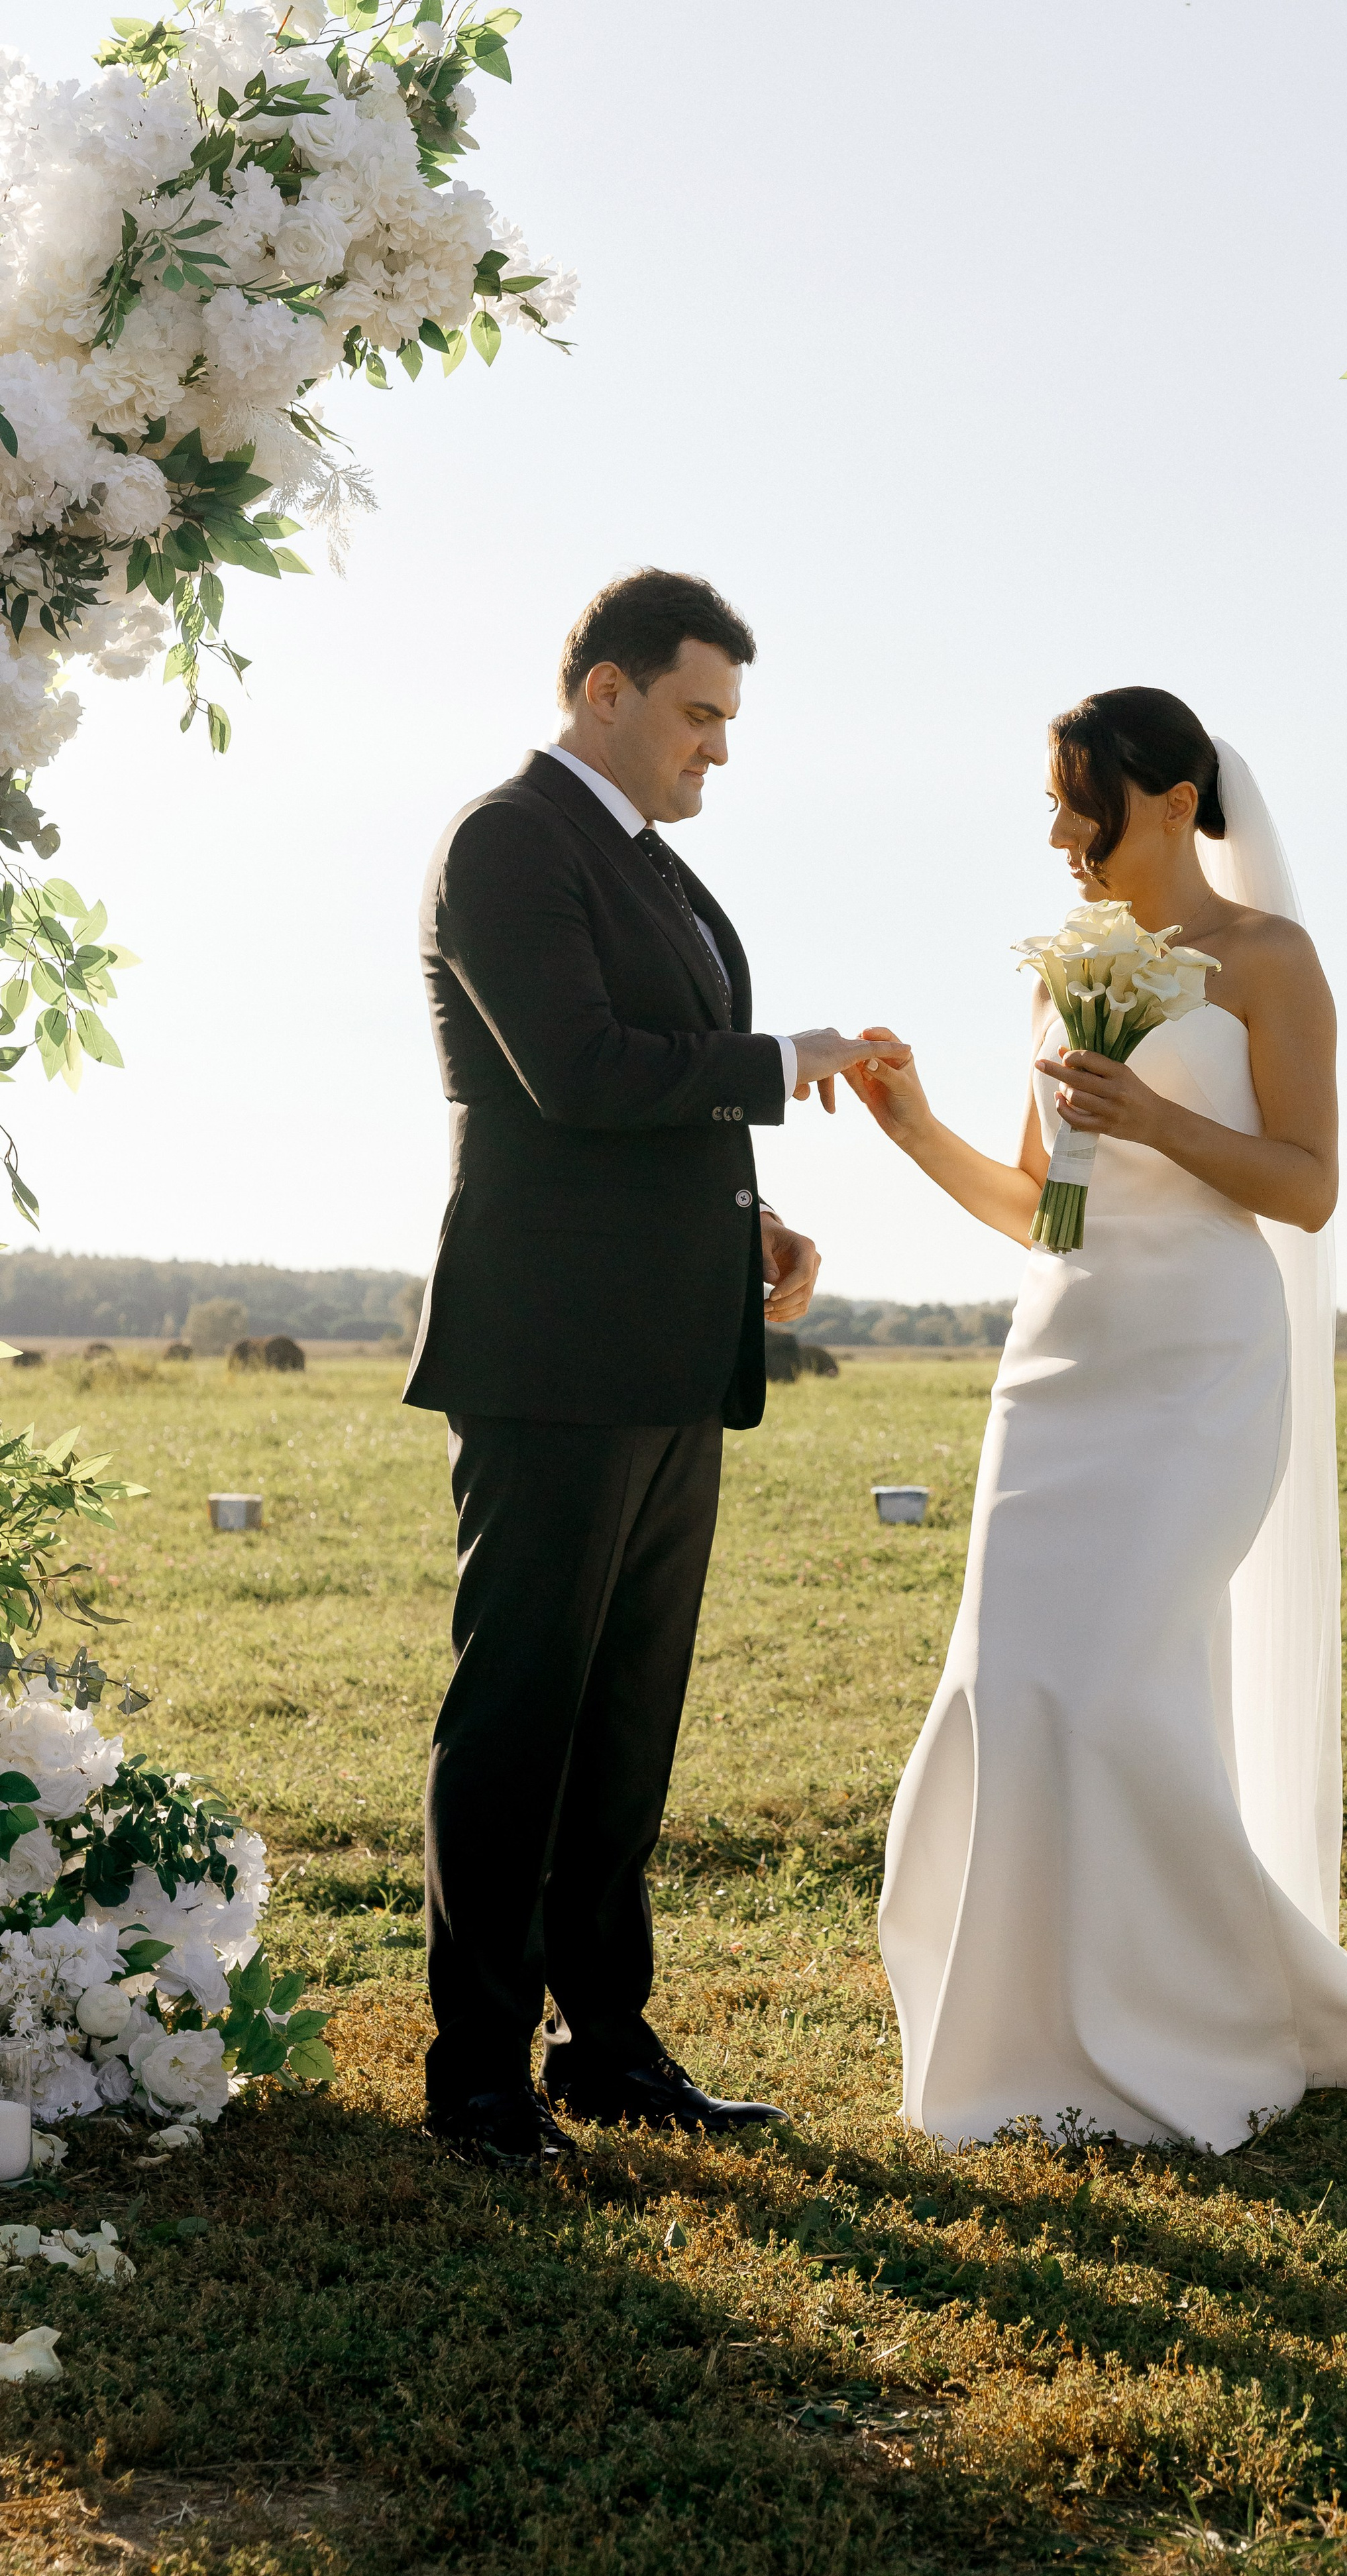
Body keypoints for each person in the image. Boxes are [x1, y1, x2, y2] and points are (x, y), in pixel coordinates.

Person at [843, 687, 1347, 2151]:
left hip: (1197, 1371)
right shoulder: (1058, 971)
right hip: (1057, 1364)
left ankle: (1197, 2019)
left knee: (1111, 1686)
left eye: (1085, 803)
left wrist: (1158, 1116)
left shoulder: (1267, 959)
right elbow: (1042, 1206)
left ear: (1176, 798)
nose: (1061, 836)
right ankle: (1024, 2036)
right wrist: (913, 1123)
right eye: (1052, 807)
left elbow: (1306, 1184)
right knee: (1012, 1688)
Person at [405, 568, 875, 2164]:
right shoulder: (505, 841)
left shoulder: (657, 873)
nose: (716, 751)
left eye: (726, 722)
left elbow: (640, 1116)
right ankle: (474, 2070)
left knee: (624, 1721)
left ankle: (604, 2045)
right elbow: (580, 1073)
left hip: (673, 1350)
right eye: (698, 713)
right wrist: (784, 1063)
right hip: (546, 1351)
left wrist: (751, 1220)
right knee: (520, 1713)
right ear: (602, 691)